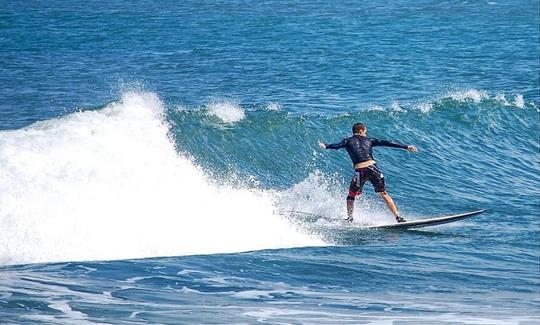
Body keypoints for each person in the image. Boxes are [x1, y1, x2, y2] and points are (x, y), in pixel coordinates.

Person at [319, 123, 418, 223]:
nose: (366, 134)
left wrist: (326, 146)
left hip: (360, 171)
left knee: (351, 196)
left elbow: (337, 146)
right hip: (373, 169)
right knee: (384, 193)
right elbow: (387, 143)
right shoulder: (370, 140)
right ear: (361, 131)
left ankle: (350, 218)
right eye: (365, 132)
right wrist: (406, 147)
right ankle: (398, 217)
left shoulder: (347, 141)